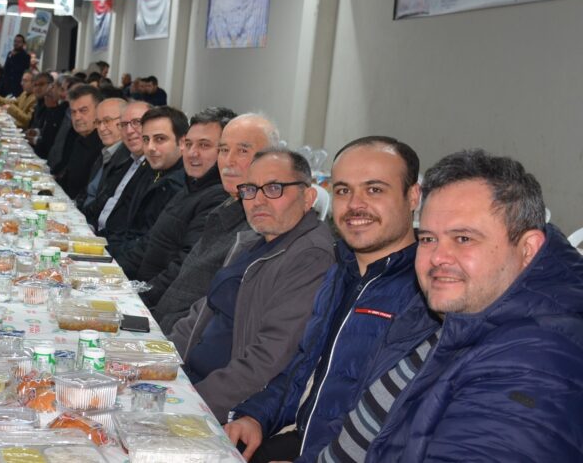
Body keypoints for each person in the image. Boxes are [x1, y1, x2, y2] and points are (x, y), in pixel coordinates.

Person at [304, 150, 583, 462]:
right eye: (427, 239)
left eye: (463, 239)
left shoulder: (538, 363)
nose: (437, 257)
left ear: (527, 249)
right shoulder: (447, 314)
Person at [225, 136, 423, 463]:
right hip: (298, 439)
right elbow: (301, 369)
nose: (355, 204)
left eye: (374, 190)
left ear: (413, 196)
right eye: (343, 190)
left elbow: (398, 426)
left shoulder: (425, 293)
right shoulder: (341, 271)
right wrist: (255, 416)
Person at [170, 149, 335, 423]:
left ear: (308, 197)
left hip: (217, 405)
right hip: (185, 378)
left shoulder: (311, 257)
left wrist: (191, 403)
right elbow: (202, 311)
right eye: (250, 190)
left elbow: (269, 358)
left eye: (273, 188)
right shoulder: (255, 241)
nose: (257, 201)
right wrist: (158, 361)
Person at [146, 113, 278, 331]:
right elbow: (185, 284)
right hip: (160, 322)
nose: (229, 161)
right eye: (224, 150)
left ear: (272, 159)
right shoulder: (226, 207)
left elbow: (211, 315)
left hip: (176, 337)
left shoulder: (263, 227)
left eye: (242, 151)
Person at [119, 107, 235, 281]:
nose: (192, 153)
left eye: (204, 145)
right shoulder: (189, 187)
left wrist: (140, 293)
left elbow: (183, 271)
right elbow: (147, 245)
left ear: (225, 151)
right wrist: (110, 273)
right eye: (188, 144)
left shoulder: (218, 199)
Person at [101, 105, 187, 261]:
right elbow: (126, 228)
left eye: (160, 139)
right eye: (146, 140)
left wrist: (110, 258)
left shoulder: (179, 185)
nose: (150, 148)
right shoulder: (148, 170)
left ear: (182, 142)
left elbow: (151, 246)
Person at [85, 99, 150, 229]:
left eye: (137, 122)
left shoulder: (146, 166)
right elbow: (102, 202)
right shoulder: (131, 160)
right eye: (124, 124)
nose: (129, 130)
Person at [53, 84, 104, 200]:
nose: (77, 117)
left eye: (83, 111)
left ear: (99, 111)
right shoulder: (79, 139)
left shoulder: (103, 145)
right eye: (73, 112)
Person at [77, 96, 129, 210]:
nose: (101, 128)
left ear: (124, 122)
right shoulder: (105, 151)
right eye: (98, 122)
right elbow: (88, 190)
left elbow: (103, 203)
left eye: (107, 121)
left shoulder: (127, 157)